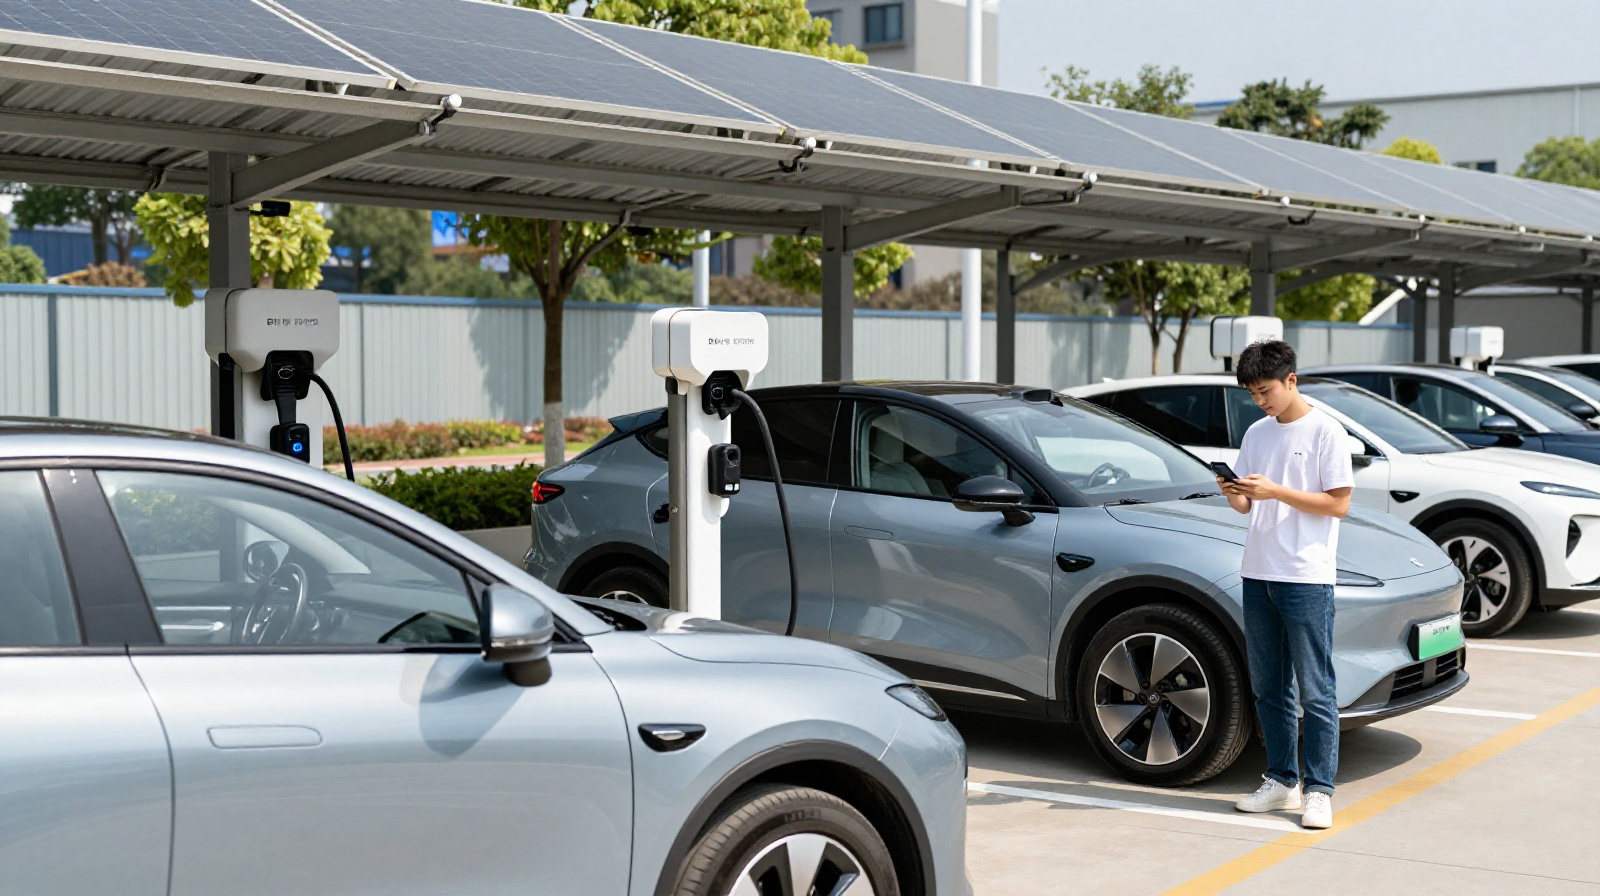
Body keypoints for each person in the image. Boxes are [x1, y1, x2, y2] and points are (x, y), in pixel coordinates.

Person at [1220, 340, 1352, 831]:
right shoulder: (1256, 433)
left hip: (1306, 576)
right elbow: (1248, 508)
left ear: (1291, 379)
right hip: (1258, 571)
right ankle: (1281, 781)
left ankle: (1319, 791)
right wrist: (1234, 493)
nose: (1261, 400)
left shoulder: (1326, 432)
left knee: (1316, 690)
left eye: (1266, 390)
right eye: (1253, 393)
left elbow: (1338, 504)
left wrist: (1277, 491)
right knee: (1268, 687)